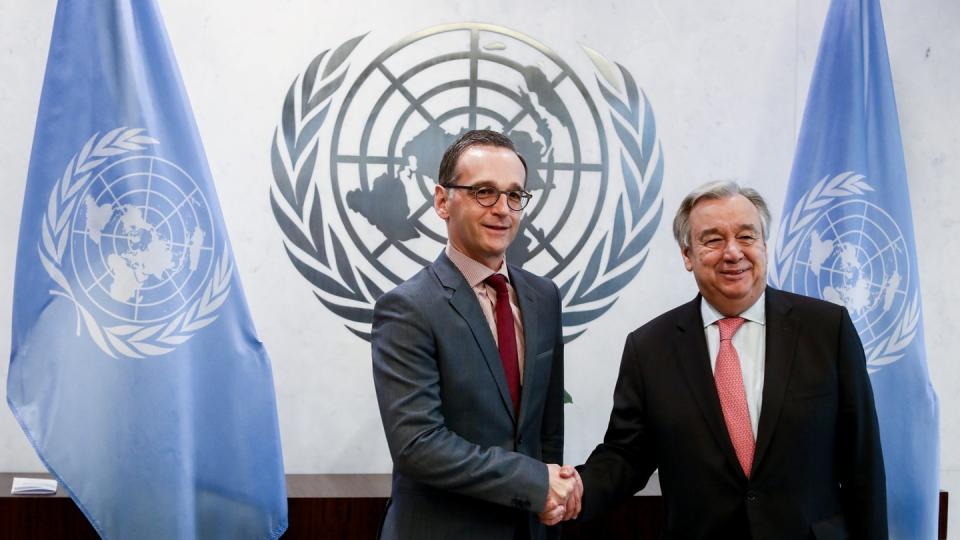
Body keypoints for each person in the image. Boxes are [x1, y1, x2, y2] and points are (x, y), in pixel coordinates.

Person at [566, 181, 887, 538]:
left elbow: (863, 462)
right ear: (687, 256)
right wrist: (576, 490)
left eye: (747, 237)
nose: (733, 253)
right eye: (713, 240)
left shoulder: (828, 329)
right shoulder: (650, 348)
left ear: (764, 245)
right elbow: (626, 455)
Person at [372, 130, 580, 540]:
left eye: (515, 195)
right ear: (442, 201)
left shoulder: (544, 296)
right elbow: (419, 445)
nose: (503, 209)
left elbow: (546, 429)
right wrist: (535, 484)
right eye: (484, 191)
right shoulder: (407, 307)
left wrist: (549, 498)